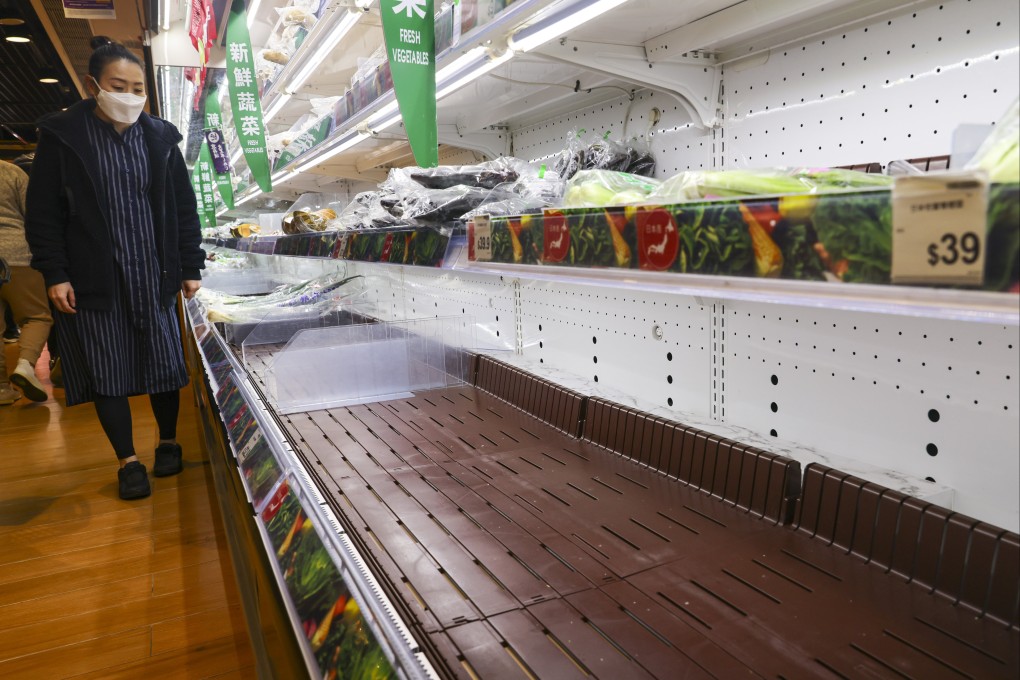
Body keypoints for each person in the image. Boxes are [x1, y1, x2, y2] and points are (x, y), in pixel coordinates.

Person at [25, 36, 205, 500]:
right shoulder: (64, 136)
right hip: (94, 276)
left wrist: (190, 264)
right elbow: (43, 214)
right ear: (93, 85)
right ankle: (128, 461)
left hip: (155, 271)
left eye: (138, 87)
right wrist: (55, 273)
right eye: (117, 85)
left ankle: (168, 442)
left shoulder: (161, 137)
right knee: (108, 367)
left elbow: (184, 209)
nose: (129, 95)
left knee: (165, 363)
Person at [0, 159, 53, 405]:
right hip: (16, 255)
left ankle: (2, 389)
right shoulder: (11, 171)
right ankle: (25, 366)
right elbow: (33, 214)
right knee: (37, 316)